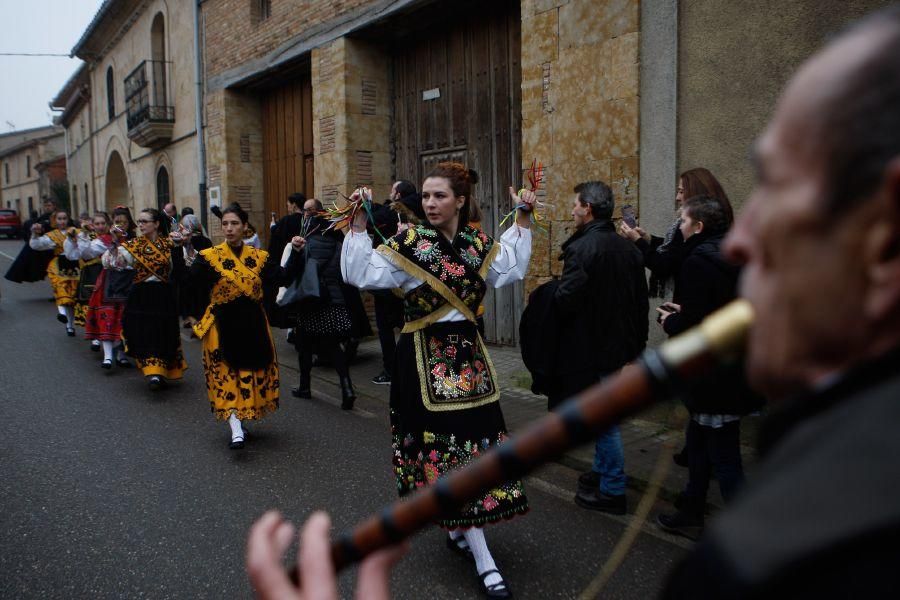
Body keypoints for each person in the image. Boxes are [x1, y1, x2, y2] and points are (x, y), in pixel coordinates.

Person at [342, 162, 535, 598]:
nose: (429, 203)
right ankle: (483, 556)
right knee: (447, 454)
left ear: (460, 201)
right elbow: (360, 274)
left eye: (439, 196)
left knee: (476, 447)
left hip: (469, 360)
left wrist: (523, 215)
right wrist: (356, 226)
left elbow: (511, 268)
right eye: (426, 196)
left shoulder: (476, 244)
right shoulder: (410, 243)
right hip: (422, 358)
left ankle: (460, 529)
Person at [654, 195, 760, 540]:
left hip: (713, 377)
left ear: (697, 227)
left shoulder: (698, 261)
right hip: (729, 370)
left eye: (683, 221)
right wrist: (684, 311)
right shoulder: (732, 254)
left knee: (726, 457)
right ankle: (691, 511)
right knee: (698, 445)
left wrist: (671, 321)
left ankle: (748, 534)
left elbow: (698, 327)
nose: (679, 227)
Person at [547, 181, 649, 515]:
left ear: (588, 208)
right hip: (621, 345)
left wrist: (552, 292)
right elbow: (641, 304)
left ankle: (613, 490)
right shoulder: (629, 248)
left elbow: (566, 299)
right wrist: (638, 347)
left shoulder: (584, 249)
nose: (573, 210)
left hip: (595, 348)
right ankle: (604, 472)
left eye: (576, 205)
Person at [182, 203, 301, 449]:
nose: (229, 228)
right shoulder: (209, 257)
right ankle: (235, 428)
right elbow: (188, 283)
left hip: (252, 324)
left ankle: (241, 420)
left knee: (249, 375)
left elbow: (284, 278)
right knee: (226, 376)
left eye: (234, 223)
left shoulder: (259, 257)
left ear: (244, 226)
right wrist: (180, 248)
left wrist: (298, 253)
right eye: (225, 224)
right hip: (221, 326)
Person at [290, 198, 358, 409]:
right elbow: (342, 274)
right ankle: (347, 388)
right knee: (333, 347)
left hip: (310, 302)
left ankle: (305, 386)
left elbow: (295, 272)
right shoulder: (337, 243)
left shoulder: (305, 244)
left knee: (304, 347)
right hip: (333, 301)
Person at [110, 207, 186, 390]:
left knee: (162, 333)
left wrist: (184, 243)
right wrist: (114, 242)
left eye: (145, 221)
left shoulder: (170, 244)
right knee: (144, 332)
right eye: (140, 221)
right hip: (141, 295)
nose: (141, 224)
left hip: (163, 295)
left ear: (157, 224)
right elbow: (114, 263)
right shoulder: (133, 245)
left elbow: (181, 267)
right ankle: (153, 373)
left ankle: (160, 372)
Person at [83, 208, 136, 369]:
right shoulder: (105, 240)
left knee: (124, 319)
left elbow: (133, 262)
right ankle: (107, 356)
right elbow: (88, 254)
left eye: (124, 222)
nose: (121, 225)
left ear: (129, 224)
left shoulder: (135, 241)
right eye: (117, 222)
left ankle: (121, 355)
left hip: (129, 282)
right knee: (106, 316)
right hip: (109, 281)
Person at [28, 210, 80, 336]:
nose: (62, 221)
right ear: (55, 221)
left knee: (72, 297)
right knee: (60, 288)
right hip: (59, 264)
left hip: (75, 264)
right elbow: (36, 245)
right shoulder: (51, 235)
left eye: (64, 218)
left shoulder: (75, 231)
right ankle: (61, 313)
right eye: (59, 219)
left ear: (68, 219)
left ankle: (70, 326)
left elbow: (88, 241)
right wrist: (34, 234)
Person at [5, 198, 57, 284]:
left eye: (49, 205)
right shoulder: (42, 217)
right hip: (45, 247)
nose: (47, 208)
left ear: (54, 206)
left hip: (57, 246)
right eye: (46, 206)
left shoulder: (59, 216)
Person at [177, 213, 213, 328]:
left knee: (189, 297)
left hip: (189, 274)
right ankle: (201, 319)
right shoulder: (206, 240)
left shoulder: (185, 239)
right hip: (202, 275)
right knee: (202, 298)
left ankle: (190, 319)